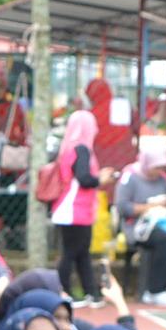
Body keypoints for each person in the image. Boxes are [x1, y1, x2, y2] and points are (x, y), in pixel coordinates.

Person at [115, 145, 166, 307]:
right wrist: (150, 206)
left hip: (163, 223)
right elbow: (123, 207)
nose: (159, 171)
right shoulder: (130, 177)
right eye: (156, 167)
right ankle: (155, 291)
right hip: (138, 227)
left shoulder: (163, 179)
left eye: (161, 167)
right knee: (164, 240)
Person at [48, 108, 103, 300]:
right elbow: (84, 178)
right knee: (71, 252)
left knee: (80, 252)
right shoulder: (82, 149)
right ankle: (63, 291)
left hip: (70, 208)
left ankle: (90, 292)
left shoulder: (67, 148)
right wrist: (101, 179)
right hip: (74, 209)